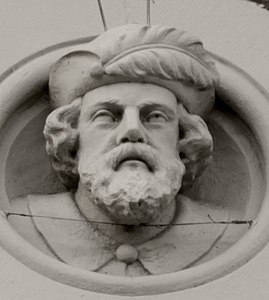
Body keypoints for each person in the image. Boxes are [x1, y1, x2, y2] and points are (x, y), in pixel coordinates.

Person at [9, 24, 247, 276]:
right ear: (71, 141)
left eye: (154, 117)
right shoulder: (23, 222)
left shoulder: (227, 233)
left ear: (184, 141)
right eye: (106, 116)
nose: (132, 131)